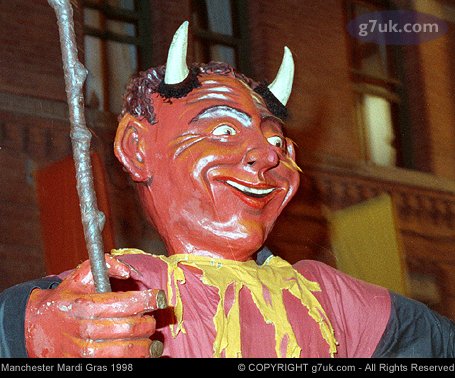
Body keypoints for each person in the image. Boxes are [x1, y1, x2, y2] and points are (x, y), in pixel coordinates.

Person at [0, 22, 454, 358]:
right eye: (221, 131)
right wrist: (31, 328)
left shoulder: (327, 296)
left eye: (276, 141)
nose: (268, 156)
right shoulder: (131, 284)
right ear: (137, 149)